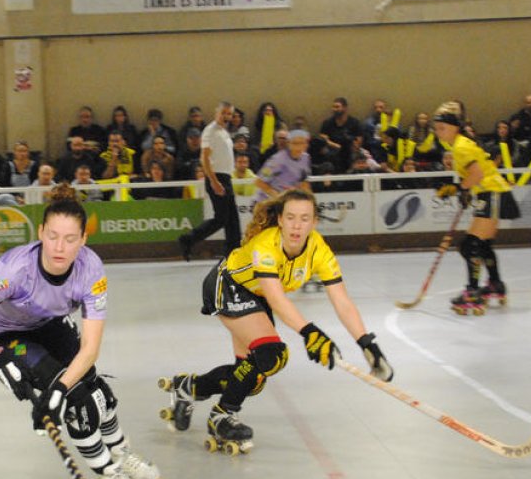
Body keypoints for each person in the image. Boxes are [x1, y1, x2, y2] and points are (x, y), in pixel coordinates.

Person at [0, 184, 160, 479]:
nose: (59, 247)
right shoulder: (13, 270)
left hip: (47, 322)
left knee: (95, 388)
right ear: (40, 233)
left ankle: (120, 452)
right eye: (52, 236)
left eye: (70, 239)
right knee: (78, 401)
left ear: (83, 240)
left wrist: (59, 389)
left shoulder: (91, 269)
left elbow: (90, 348)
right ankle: (108, 476)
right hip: (6, 334)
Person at [161, 188, 394, 453]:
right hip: (227, 286)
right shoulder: (266, 244)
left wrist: (367, 344)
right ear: (280, 219)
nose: (297, 225)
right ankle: (221, 416)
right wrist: (310, 333)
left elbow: (342, 301)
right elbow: (276, 298)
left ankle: (189, 387)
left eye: (305, 218)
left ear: (314, 222)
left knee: (252, 377)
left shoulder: (319, 248)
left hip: (255, 294)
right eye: (291, 217)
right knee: (272, 354)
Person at [432, 101, 521, 314]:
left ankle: (472, 292)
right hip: (492, 192)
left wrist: (458, 187)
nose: (438, 132)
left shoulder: (461, 146)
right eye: (436, 128)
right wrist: (465, 191)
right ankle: (495, 284)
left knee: (469, 246)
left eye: (442, 128)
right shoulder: (459, 144)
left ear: (455, 127)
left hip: (492, 193)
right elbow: (478, 173)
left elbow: (477, 174)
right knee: (482, 245)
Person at [177, 101, 240, 260]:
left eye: (229, 114)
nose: (226, 116)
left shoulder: (223, 132)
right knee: (222, 218)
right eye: (224, 113)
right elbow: (204, 158)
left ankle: (234, 251)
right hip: (216, 177)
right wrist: (213, 181)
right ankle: (188, 239)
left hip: (225, 177)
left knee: (231, 218)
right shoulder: (210, 131)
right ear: (216, 112)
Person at [252, 129, 312, 205]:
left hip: (287, 202)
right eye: (295, 143)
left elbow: (304, 182)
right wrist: (279, 197)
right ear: (289, 144)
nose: (298, 146)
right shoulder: (277, 160)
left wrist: (310, 201)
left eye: (302, 143)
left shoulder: (306, 158)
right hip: (265, 202)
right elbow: (259, 181)